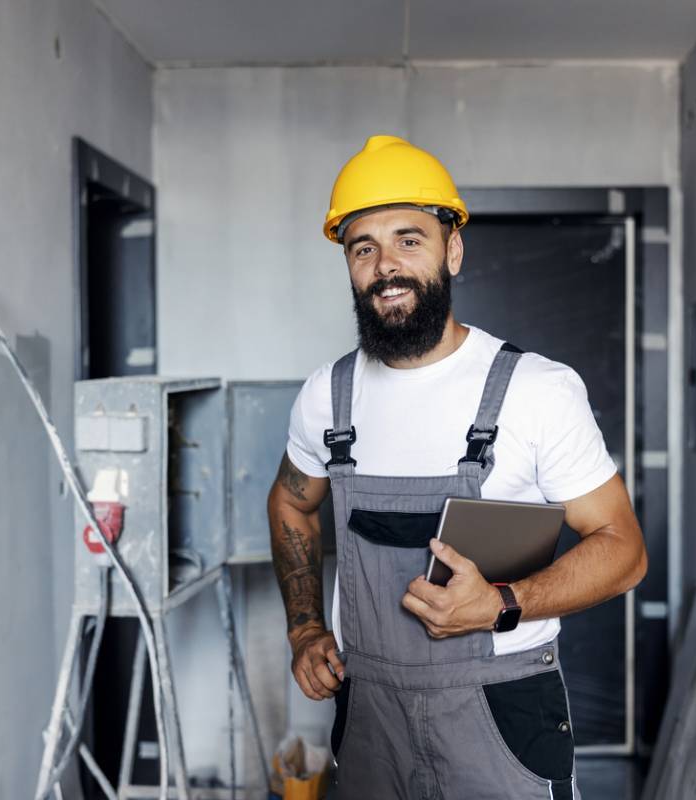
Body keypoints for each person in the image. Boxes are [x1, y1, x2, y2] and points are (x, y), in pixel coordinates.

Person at [266, 135, 647, 800]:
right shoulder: (327, 397)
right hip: (370, 712)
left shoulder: (536, 391)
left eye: (409, 239)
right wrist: (304, 628)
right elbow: (291, 501)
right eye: (363, 247)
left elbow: (624, 550)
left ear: (453, 250)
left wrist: (503, 604)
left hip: (500, 710)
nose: (386, 265)